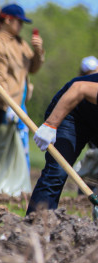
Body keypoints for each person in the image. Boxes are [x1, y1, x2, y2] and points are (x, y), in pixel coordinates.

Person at [0, 3, 43, 196]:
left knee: (21, 146)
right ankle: (7, 190)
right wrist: (9, 106)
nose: (20, 26)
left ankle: (20, 188)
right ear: (7, 20)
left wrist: (38, 51)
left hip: (18, 103)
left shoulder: (20, 43)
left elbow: (32, 68)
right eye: (18, 22)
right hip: (3, 105)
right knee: (6, 147)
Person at [26, 72, 98, 213]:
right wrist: (50, 125)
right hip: (72, 112)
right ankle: (37, 225)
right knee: (57, 171)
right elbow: (79, 88)